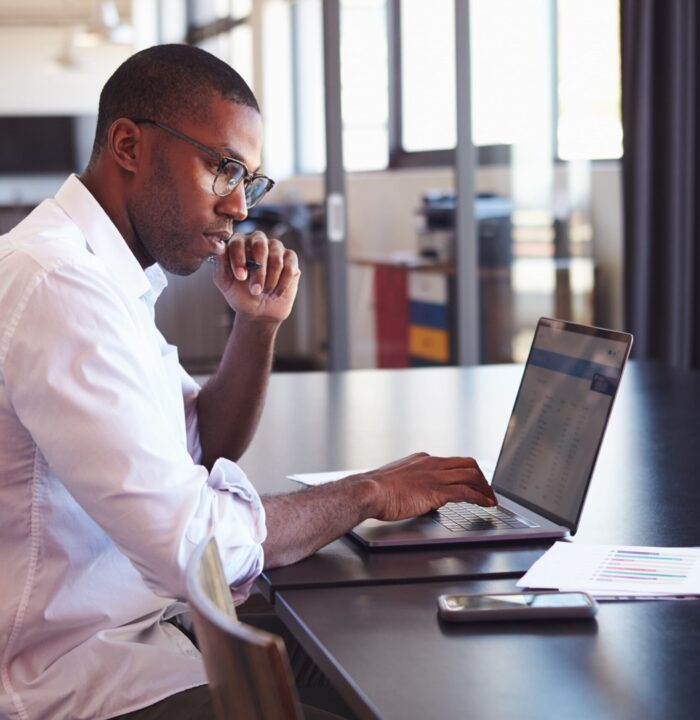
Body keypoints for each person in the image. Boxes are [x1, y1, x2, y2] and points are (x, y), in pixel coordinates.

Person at [0, 44, 496, 720]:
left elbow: (197, 448)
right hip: (79, 680)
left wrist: (256, 325)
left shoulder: (101, 278)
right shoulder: (58, 283)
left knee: (382, 665)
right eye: (222, 168)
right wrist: (368, 492)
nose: (239, 206)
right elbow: (190, 548)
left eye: (250, 181)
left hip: (142, 636)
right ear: (127, 145)